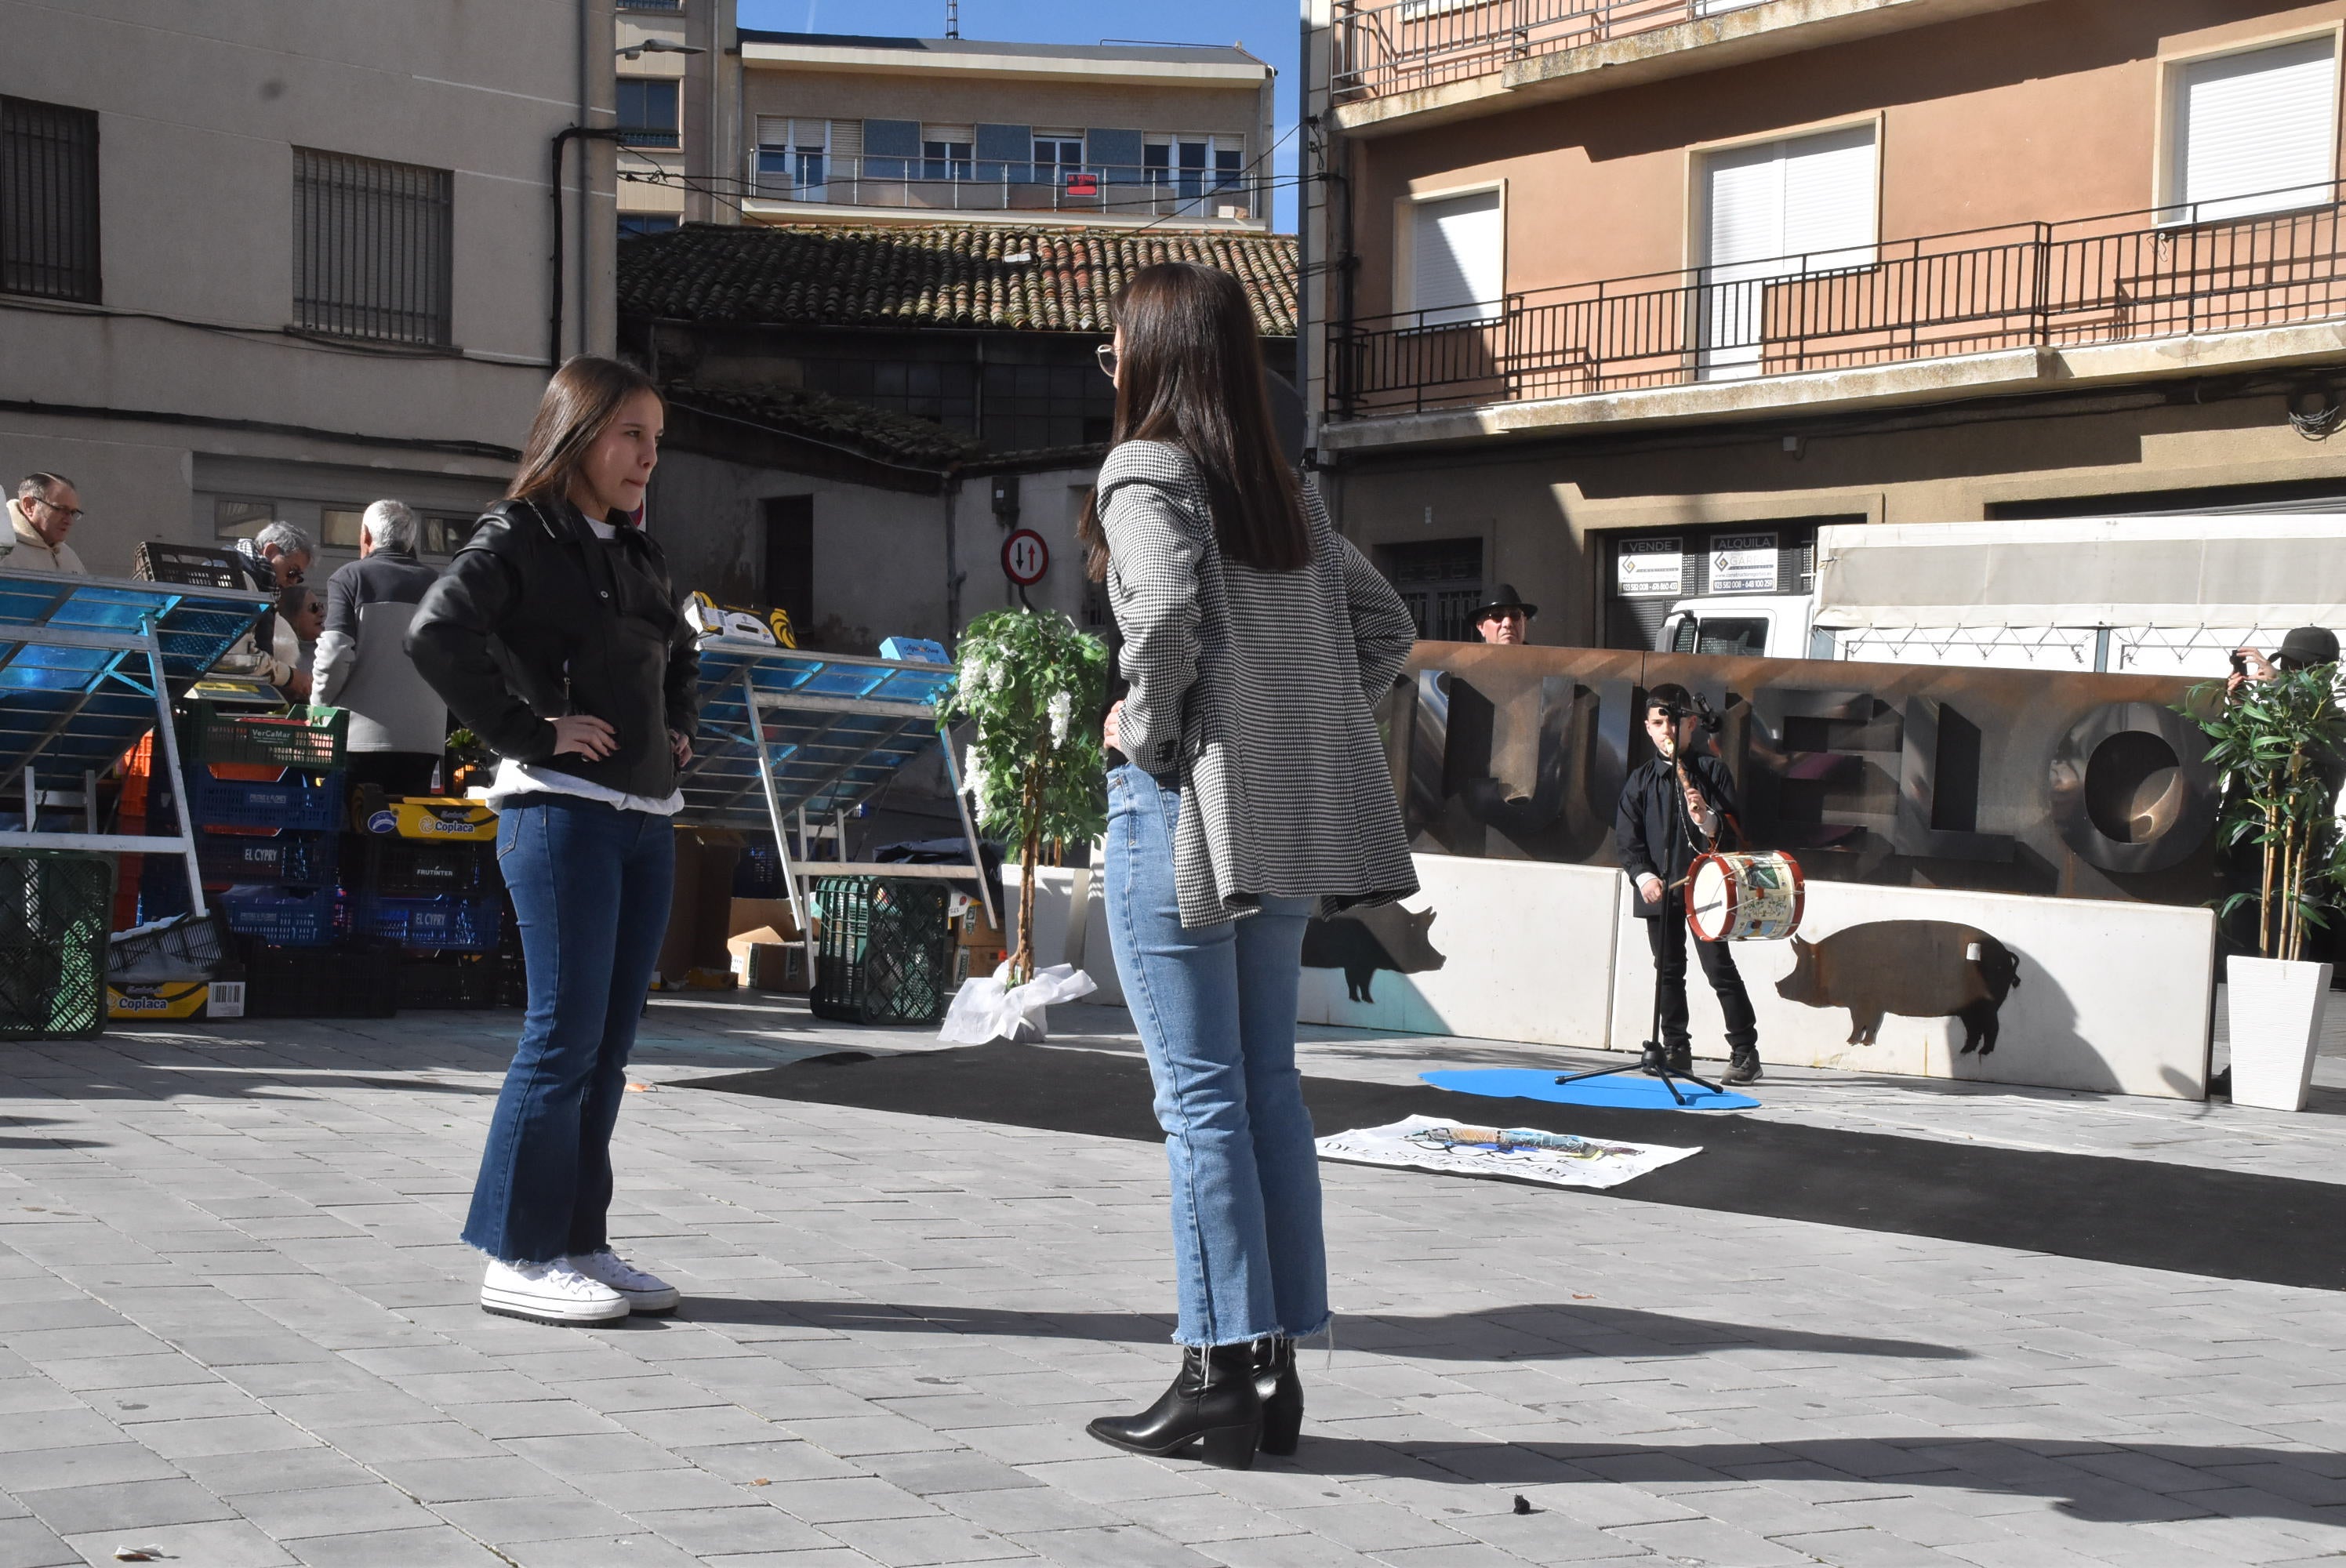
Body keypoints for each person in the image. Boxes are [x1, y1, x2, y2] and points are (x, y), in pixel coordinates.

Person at [1077, 263, 1418, 1468]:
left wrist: (1152, 728)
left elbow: (1161, 613)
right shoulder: (1288, 499)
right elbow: (1390, 633)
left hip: (1174, 816)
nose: (1104, 362)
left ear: (1158, 353)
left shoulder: (1144, 471)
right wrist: (1294, 726)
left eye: (1115, 343)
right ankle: (1272, 1381)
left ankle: (1214, 1374)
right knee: (1268, 1088)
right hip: (1274, 832)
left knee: (1199, 1099)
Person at [408, 356, 699, 1328]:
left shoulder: (637, 550)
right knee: (562, 1037)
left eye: (656, 440)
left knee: (607, 1049)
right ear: (577, 433)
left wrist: (679, 723)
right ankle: (518, 1252)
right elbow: (436, 631)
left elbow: (679, 652)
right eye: (630, 436)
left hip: (643, 820)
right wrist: (533, 732)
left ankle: (577, 1239)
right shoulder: (520, 535)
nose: (647, 458)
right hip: (558, 812)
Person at [1617, 684, 1762, 1085]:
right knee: (1668, 971)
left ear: (1692, 724)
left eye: (1674, 722)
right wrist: (1644, 876)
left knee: (1718, 967)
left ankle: (1745, 1049)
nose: (1667, 730)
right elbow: (1628, 840)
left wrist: (1706, 819)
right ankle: (1676, 1049)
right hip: (1660, 891)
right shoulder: (1641, 780)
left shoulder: (1712, 771)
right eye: (1658, 723)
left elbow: (1732, 835)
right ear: (1647, 728)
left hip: (1707, 889)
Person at [317, 500, 449, 797]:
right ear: (411, 540)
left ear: (365, 536)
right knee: (406, 831)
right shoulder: (440, 585)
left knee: (355, 827)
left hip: (359, 739)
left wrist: (318, 705)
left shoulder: (350, 578)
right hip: (424, 739)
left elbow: (336, 652)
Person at [220, 522, 314, 699]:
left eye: (299, 577)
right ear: (270, 551)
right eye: (292, 572)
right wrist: (291, 677)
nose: (293, 582)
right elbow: (240, 657)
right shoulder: (240, 579)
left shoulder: (251, 579)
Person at [6, 473, 89, 573]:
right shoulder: (5, 553)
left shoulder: (69, 557)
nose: (69, 521)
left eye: (73, 513)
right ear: (29, 506)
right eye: (61, 509)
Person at [1471, 584, 1536, 645]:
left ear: (1524, 623)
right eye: (1497, 616)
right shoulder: (1468, 657)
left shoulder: (1542, 657)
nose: (1508, 623)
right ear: (1481, 627)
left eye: (1515, 615)